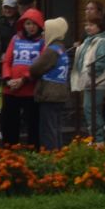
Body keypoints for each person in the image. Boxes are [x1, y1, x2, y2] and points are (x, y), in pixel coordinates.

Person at [0, 9, 45, 146]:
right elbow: (7, 60)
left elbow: (41, 65)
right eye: (27, 23)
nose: (30, 27)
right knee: (8, 123)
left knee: (33, 125)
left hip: (30, 90)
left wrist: (23, 79)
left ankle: (33, 154)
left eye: (33, 24)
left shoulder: (42, 42)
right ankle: (9, 153)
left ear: (39, 25)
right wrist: (8, 79)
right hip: (11, 89)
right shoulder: (15, 38)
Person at [27, 15, 72, 151]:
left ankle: (51, 158)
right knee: (56, 128)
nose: (43, 33)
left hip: (49, 94)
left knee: (48, 130)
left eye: (45, 31)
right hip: (60, 94)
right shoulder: (61, 48)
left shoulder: (51, 50)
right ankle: (59, 155)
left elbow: (35, 68)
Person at [74, 6, 105, 145]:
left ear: (99, 26)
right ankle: (94, 137)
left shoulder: (101, 41)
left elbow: (101, 62)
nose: (88, 27)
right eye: (86, 24)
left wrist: (92, 75)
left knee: (91, 109)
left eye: (91, 25)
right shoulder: (89, 40)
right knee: (89, 108)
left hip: (97, 81)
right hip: (89, 80)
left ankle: (98, 139)